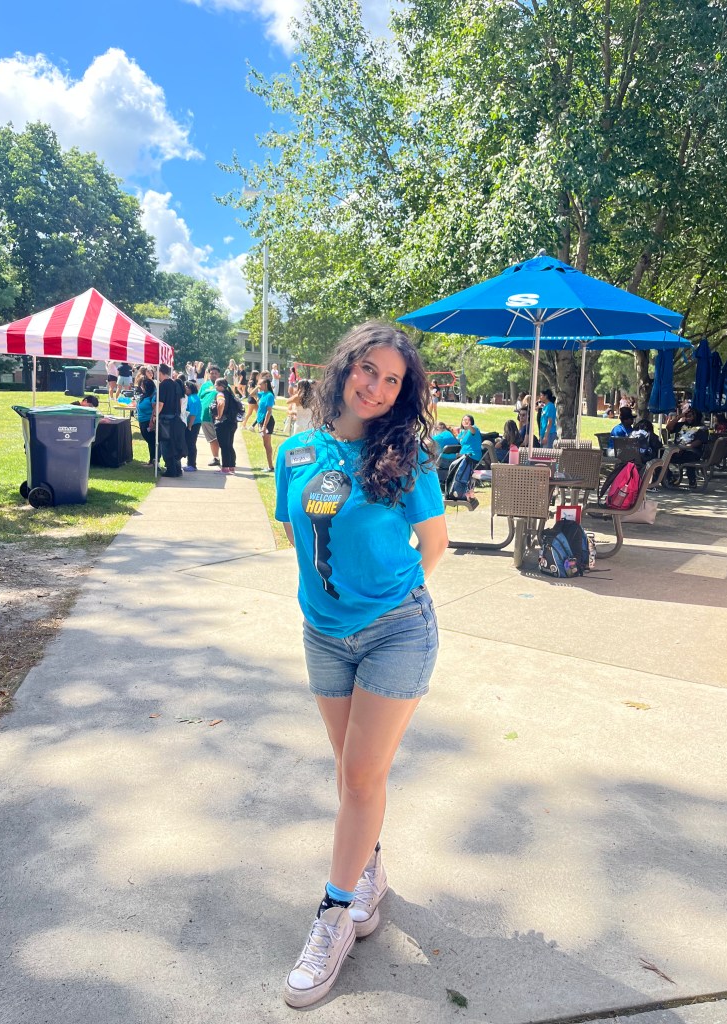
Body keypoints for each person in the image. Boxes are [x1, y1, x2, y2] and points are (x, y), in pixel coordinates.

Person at [274, 322, 448, 1008]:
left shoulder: (409, 457)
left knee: (360, 775)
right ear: (344, 367)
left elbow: (434, 544)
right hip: (322, 635)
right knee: (351, 771)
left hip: (396, 632)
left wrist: (386, 599)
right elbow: (296, 532)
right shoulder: (296, 451)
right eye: (367, 369)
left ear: (403, 393)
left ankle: (335, 913)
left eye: (392, 380)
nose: (375, 387)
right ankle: (368, 873)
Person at [667, 406, 709, 487]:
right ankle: (670, 477)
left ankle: (692, 480)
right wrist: (679, 417)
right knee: (661, 455)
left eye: (690, 416)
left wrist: (684, 448)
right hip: (677, 451)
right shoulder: (682, 425)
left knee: (689, 456)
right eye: (686, 416)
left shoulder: (702, 428)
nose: (688, 418)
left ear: (696, 416)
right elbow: (669, 428)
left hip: (692, 451)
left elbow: (698, 442)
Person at [153, 363, 182, 477]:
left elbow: (160, 404)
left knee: (165, 444)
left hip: (166, 418)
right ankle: (177, 469)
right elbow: (180, 401)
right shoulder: (176, 384)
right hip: (176, 417)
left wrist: (155, 416)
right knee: (174, 444)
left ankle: (171, 469)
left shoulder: (163, 385)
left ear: (160, 372)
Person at [211, 377, 240, 474]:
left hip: (223, 423)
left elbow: (221, 403)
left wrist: (219, 416)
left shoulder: (220, 394)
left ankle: (225, 468)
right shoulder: (230, 394)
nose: (215, 386)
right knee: (229, 445)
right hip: (232, 422)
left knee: (224, 446)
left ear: (220, 386)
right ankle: (231, 466)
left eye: (216, 384)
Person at [198, 365, 222, 467]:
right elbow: (199, 398)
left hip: (220, 417)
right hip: (205, 416)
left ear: (219, 374)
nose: (214, 375)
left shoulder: (224, 385)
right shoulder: (205, 386)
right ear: (208, 374)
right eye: (212, 373)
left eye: (216, 373)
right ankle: (216, 458)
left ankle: (227, 460)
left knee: (222, 439)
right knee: (212, 439)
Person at [256, 375, 276, 471]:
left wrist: (264, 426)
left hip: (267, 421)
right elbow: (251, 393)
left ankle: (270, 466)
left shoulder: (269, 395)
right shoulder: (262, 394)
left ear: (266, 384)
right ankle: (270, 465)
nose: (259, 386)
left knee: (267, 445)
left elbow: (269, 411)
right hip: (261, 421)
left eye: (260, 384)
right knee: (265, 444)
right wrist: (257, 386)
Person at [136, 377, 157, 465]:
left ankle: (153, 460)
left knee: (152, 441)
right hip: (142, 421)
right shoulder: (144, 395)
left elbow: (155, 410)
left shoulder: (153, 396)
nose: (141, 387)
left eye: (142, 386)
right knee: (149, 441)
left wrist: (152, 422)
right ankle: (151, 460)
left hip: (148, 421)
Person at [184, 381, 202, 471]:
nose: (184, 389)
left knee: (191, 444)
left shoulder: (193, 399)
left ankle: (192, 464)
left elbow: (193, 414)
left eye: (186, 387)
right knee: (190, 443)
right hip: (193, 423)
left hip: (193, 424)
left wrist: (189, 426)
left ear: (190, 389)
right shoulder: (191, 397)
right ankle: (189, 463)